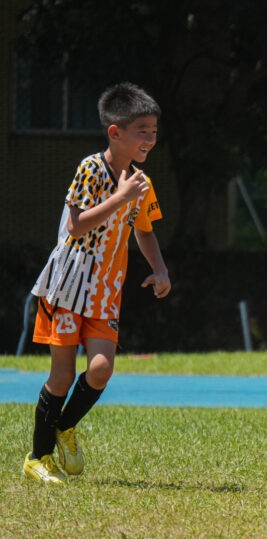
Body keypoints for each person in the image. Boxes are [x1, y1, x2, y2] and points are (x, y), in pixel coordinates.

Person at [23, 82, 171, 485]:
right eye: (143, 130)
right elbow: (76, 225)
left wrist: (160, 270)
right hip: (68, 285)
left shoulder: (141, 182)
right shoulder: (91, 168)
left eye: (154, 131)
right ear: (115, 132)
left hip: (106, 289)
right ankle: (38, 458)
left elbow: (144, 231)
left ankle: (64, 426)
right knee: (62, 376)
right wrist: (121, 197)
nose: (150, 139)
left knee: (102, 369)